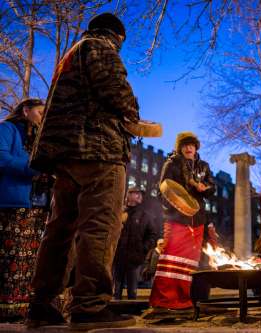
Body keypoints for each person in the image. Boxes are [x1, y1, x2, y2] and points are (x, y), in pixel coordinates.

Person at [26, 13, 139, 329]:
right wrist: (134, 112)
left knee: (60, 229)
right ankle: (90, 307)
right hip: (98, 150)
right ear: (118, 35)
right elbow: (120, 96)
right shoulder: (100, 47)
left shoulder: (71, 54)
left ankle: (41, 305)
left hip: (65, 154)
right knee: (100, 226)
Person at [149, 131, 216, 314]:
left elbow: (213, 187)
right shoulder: (172, 163)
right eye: (185, 145)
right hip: (177, 219)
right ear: (180, 148)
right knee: (170, 259)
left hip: (198, 220)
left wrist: (205, 188)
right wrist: (175, 207)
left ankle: (184, 302)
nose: (188, 148)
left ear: (196, 148)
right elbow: (162, 189)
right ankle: (163, 301)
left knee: (188, 264)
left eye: (192, 145)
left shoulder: (203, 166)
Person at [0, 99, 49, 322]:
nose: (42, 116)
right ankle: (5, 308)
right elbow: (2, 158)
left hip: (37, 204)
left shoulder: (40, 137)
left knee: (28, 259)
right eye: (39, 112)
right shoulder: (8, 129)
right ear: (26, 110)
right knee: (10, 256)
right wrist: (33, 169)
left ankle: (20, 308)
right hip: (13, 201)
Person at [113, 187, 157, 300]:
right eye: (136, 193)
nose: (139, 196)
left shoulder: (145, 216)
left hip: (135, 260)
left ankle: (132, 314)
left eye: (140, 194)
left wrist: (143, 249)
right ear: (128, 195)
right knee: (116, 290)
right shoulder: (119, 213)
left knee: (132, 291)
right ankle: (115, 314)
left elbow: (152, 235)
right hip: (118, 258)